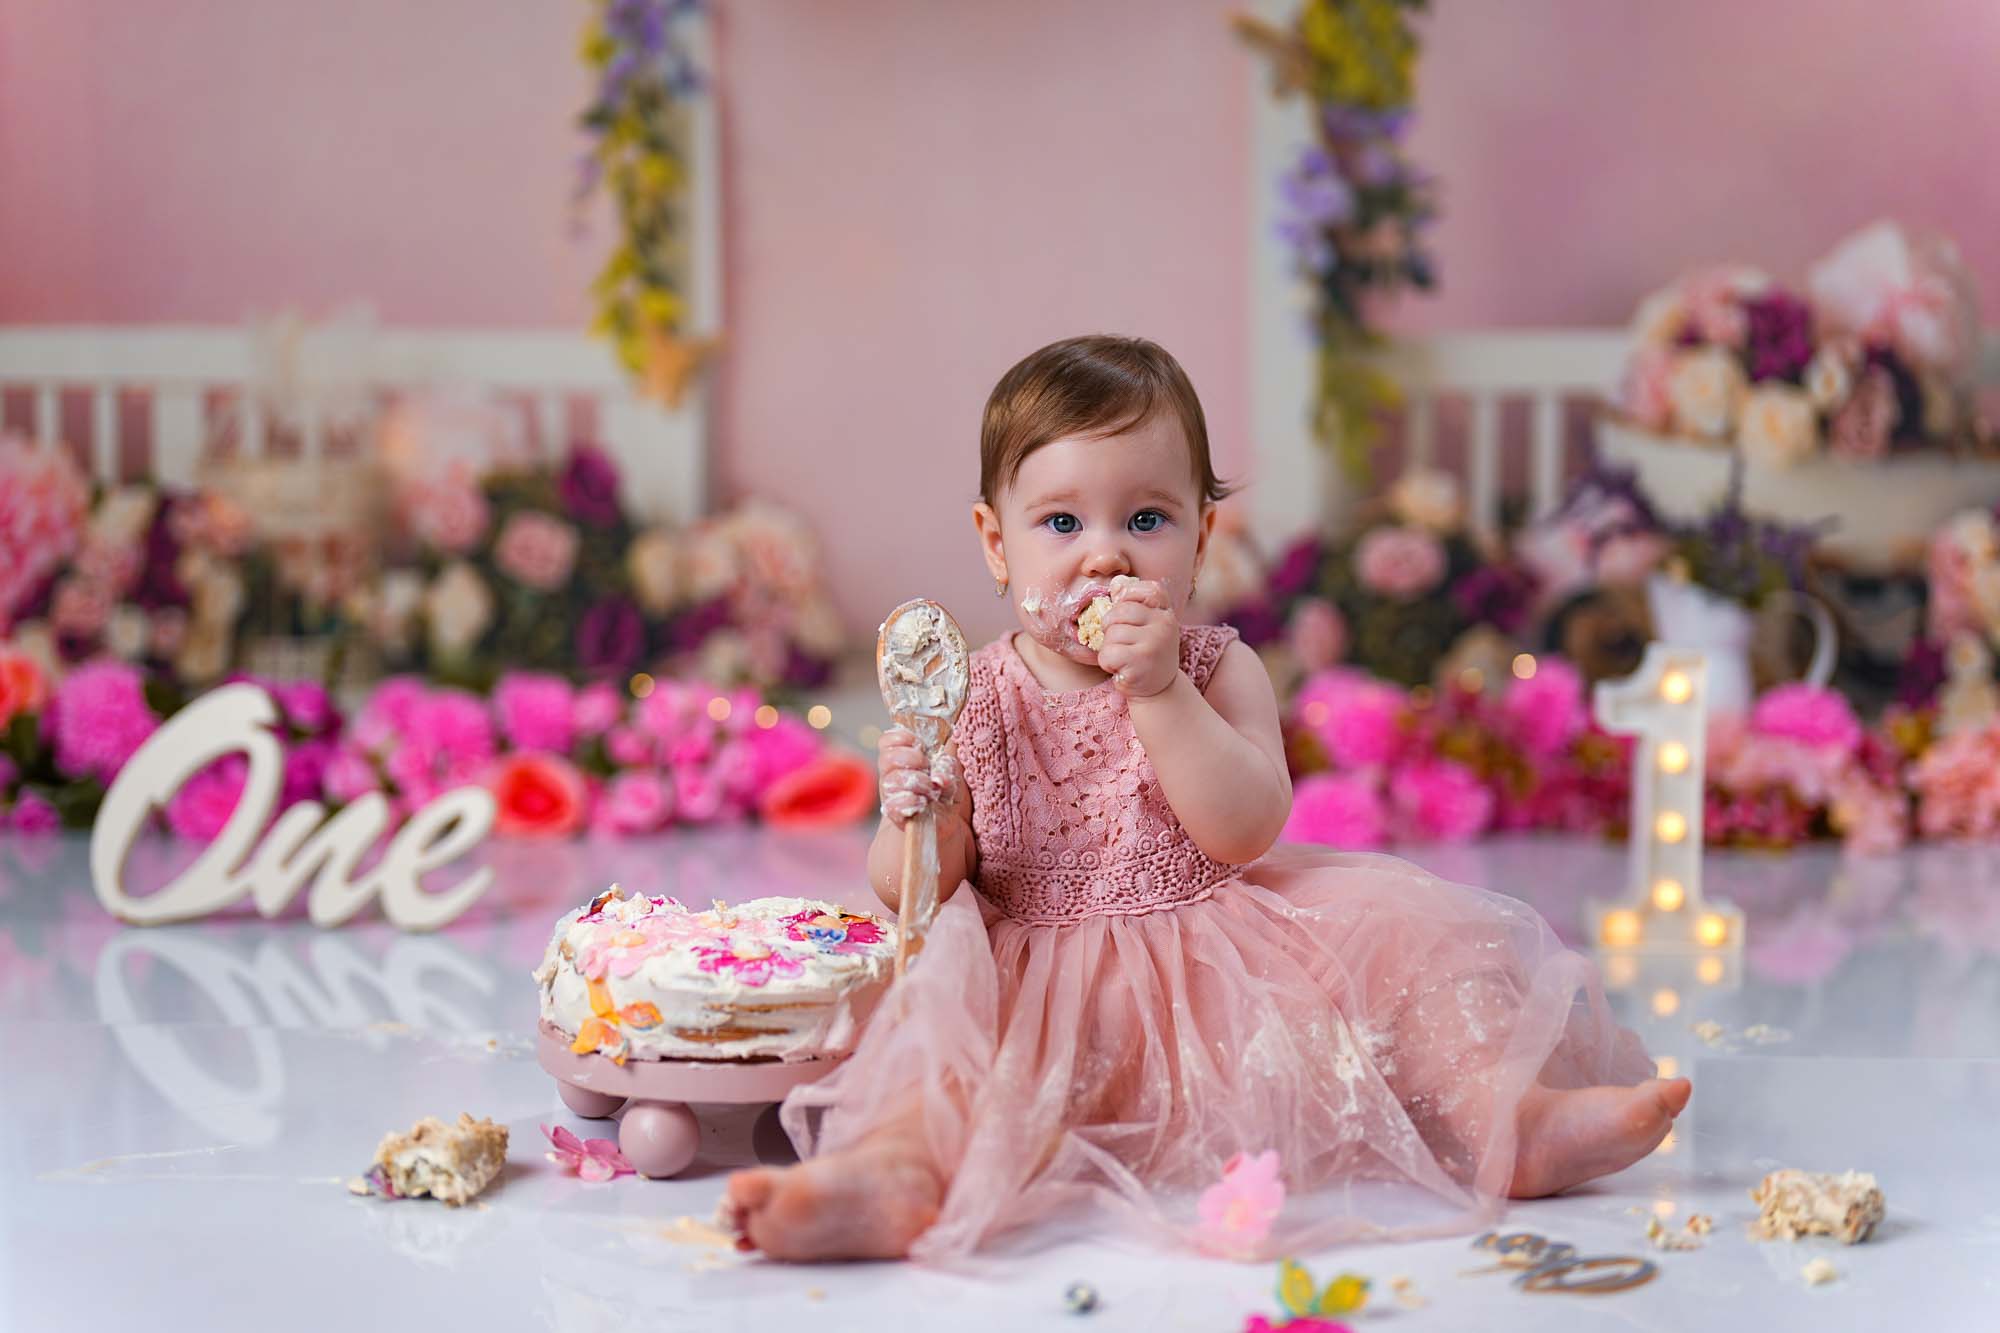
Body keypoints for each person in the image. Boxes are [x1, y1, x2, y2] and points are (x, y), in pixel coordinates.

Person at [724, 334, 1684, 1262]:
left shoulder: (1214, 669)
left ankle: (1512, 1119)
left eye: (1146, 520)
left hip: (1209, 960)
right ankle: (894, 1169)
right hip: (1032, 982)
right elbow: (915, 893)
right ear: (995, 543)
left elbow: (1243, 827)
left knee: (1410, 942)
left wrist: (1160, 694)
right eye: (1062, 524)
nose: (1105, 557)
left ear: (1202, 534)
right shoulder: (972, 694)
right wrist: (916, 814)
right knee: (933, 1019)